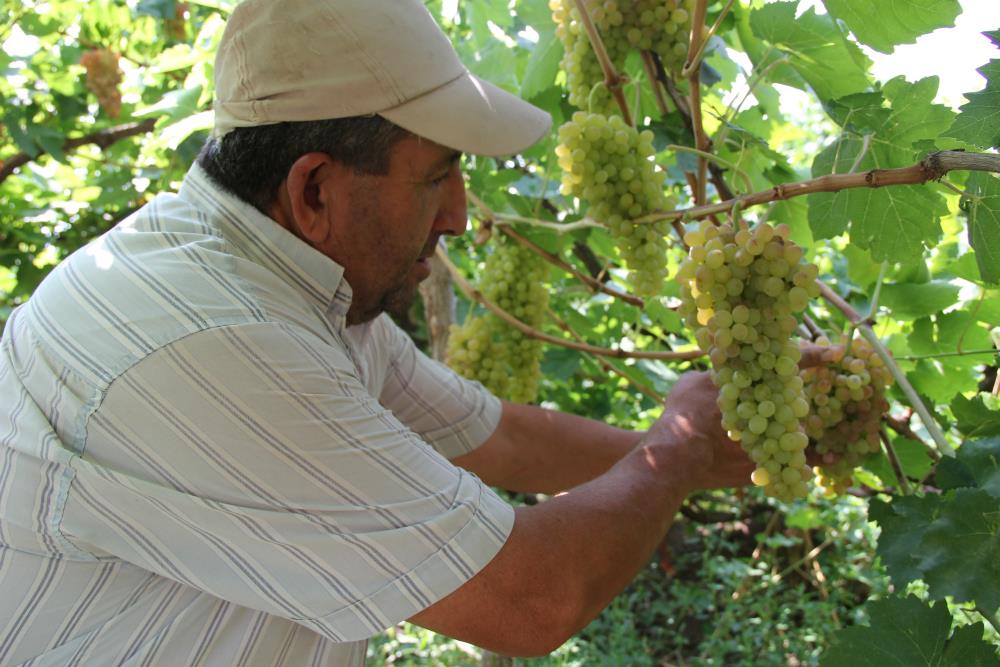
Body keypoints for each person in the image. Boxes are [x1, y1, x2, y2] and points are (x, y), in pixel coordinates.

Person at [0, 0, 825, 664]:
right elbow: (532, 598)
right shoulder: (211, 339)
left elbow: (499, 439)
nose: (463, 216)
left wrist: (751, 443)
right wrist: (672, 452)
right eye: (438, 178)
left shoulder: (293, 282)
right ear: (315, 189)